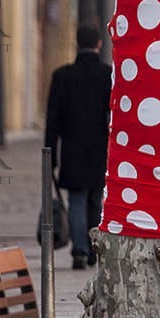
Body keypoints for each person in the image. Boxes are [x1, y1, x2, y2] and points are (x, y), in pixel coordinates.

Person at [44, 25, 114, 269]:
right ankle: (95, 249)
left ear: (76, 44)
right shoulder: (107, 75)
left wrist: (50, 153)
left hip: (72, 148)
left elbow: (52, 120)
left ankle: (79, 251)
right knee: (96, 198)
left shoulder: (62, 76)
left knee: (76, 199)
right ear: (99, 44)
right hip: (99, 148)